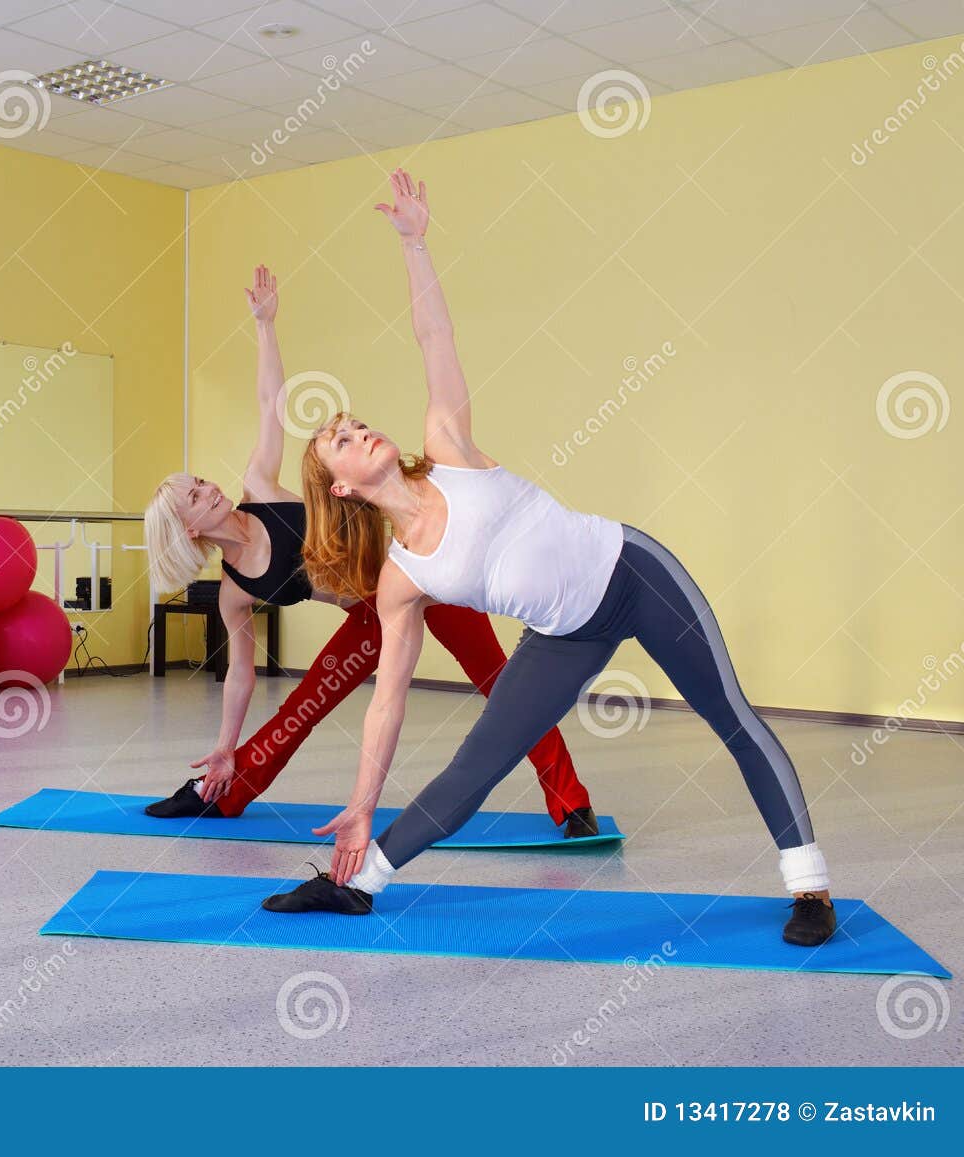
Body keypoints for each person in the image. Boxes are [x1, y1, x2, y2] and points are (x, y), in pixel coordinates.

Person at [261, 169, 835, 948]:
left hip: (633, 572)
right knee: (476, 763)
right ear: (339, 484)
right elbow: (387, 702)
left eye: (357, 421)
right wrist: (362, 801)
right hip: (562, 634)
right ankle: (356, 882)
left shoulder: (447, 445)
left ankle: (810, 886)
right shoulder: (403, 579)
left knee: (729, 715)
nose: (359, 429)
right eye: (341, 437)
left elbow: (436, 337)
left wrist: (414, 243)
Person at [143, 264, 598, 837]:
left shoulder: (259, 488)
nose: (206, 488)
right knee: (301, 706)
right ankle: (221, 792)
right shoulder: (235, 592)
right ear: (187, 530)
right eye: (193, 496)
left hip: (427, 571)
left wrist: (264, 326)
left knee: (502, 687)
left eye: (200, 482)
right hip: (371, 612)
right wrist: (223, 745)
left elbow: (267, 403)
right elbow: (239, 678)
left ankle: (571, 803)